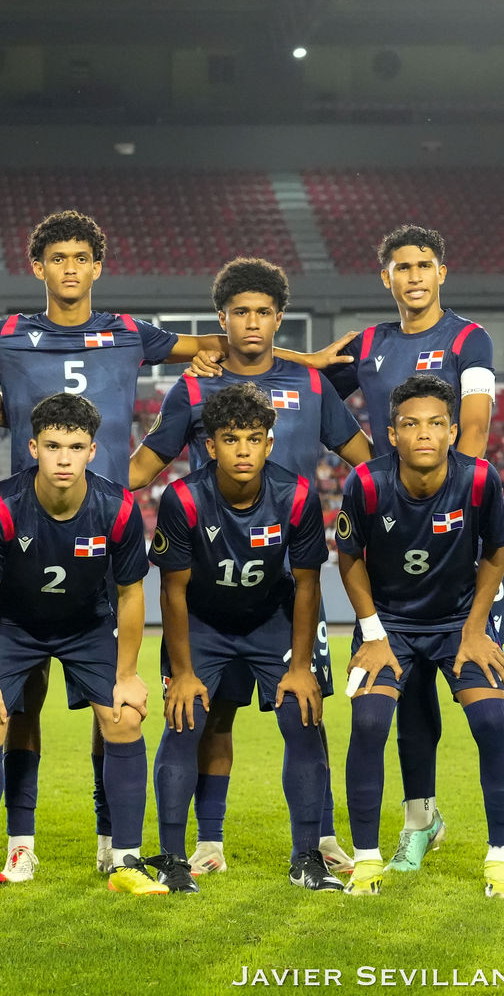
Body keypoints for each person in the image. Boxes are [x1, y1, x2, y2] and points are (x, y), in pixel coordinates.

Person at [0, 211, 354, 878]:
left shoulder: (127, 332)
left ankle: (110, 840)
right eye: (57, 258)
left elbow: (236, 342)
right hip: (21, 532)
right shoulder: (3, 333)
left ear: (98, 267)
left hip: (103, 529)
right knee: (18, 700)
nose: (70, 268)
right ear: (38, 267)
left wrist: (308, 361)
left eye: (81, 258)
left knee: (113, 702)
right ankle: (18, 841)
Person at [130, 257, 371, 876]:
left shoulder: (309, 385)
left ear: (279, 319)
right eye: (241, 312)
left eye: (264, 312)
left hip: (287, 586)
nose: (253, 322)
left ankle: (316, 843)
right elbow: (150, 461)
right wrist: (82, 494)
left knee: (305, 712)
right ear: (222, 320)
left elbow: (365, 461)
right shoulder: (193, 387)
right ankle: (206, 841)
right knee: (211, 715)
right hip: (211, 573)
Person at [323, 225, 504, 876]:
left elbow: (474, 422)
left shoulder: (469, 339)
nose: (413, 276)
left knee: (487, 677)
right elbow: (309, 378)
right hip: (398, 533)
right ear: (385, 278)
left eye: (424, 265)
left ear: (442, 272)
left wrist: (445, 501)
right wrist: (371, 467)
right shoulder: (372, 344)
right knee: (408, 700)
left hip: (457, 528)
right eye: (401, 267)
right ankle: (420, 820)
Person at [0, 393, 169, 897]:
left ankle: (126, 861)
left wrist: (127, 675)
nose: (63, 458)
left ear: (93, 452)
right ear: (33, 447)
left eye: (75, 447)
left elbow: (131, 593)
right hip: (15, 625)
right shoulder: (0, 505)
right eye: (52, 446)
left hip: (87, 625)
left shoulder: (116, 507)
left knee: (124, 716)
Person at [151, 382, 342, 892]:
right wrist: (184, 673)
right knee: (185, 720)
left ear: (270, 443)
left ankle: (307, 857)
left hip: (271, 621)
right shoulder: (183, 498)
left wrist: (300, 668)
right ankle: (173, 860)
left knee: (302, 716)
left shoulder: (297, 496)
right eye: (230, 439)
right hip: (203, 624)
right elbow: (172, 592)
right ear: (210, 446)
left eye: (253, 439)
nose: (243, 450)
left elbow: (306, 585)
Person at [335, 374, 504, 898]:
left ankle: (502, 857)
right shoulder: (367, 483)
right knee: (369, 723)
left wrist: (477, 629)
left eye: (436, 424)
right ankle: (367, 862)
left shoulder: (480, 479)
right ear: (391, 433)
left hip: (457, 623)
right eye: (410, 424)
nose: (424, 434)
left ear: (453, 431)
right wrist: (372, 634)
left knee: (491, 719)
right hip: (389, 624)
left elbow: (497, 552)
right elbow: (348, 558)